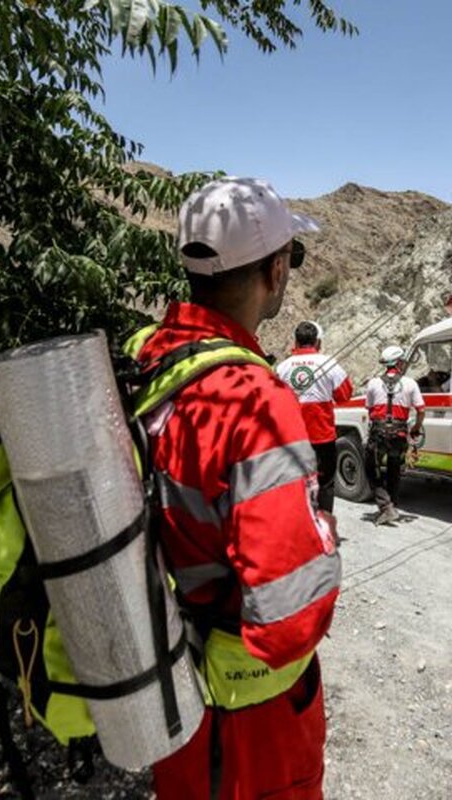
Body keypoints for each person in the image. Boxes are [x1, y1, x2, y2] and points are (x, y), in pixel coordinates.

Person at [141, 177, 340, 799]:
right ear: (276, 270)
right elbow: (287, 622)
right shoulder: (254, 403)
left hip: (170, 697)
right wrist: (323, 537)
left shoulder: (147, 362)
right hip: (249, 728)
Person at [276, 321, 354, 513]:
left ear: (296, 341)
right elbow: (344, 396)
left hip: (293, 439)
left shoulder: (282, 367)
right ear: (317, 342)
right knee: (325, 485)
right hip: (323, 438)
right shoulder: (329, 364)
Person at [363, 345, 425, 526]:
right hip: (399, 433)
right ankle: (392, 506)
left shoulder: (373, 383)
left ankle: (386, 507)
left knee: (370, 469)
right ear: (398, 363)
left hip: (379, 432)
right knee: (394, 469)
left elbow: (369, 409)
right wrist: (415, 429)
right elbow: (421, 410)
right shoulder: (410, 383)